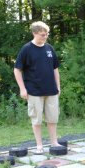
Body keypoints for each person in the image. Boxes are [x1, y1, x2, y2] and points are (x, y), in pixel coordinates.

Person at [14, 21, 61, 155]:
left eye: (46, 34)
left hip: (51, 90)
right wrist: (22, 89)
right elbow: (17, 70)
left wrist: (58, 86)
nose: (45, 37)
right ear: (34, 33)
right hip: (34, 91)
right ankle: (39, 145)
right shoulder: (26, 49)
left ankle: (54, 142)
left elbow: (55, 69)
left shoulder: (49, 48)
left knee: (52, 118)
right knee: (37, 120)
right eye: (42, 35)